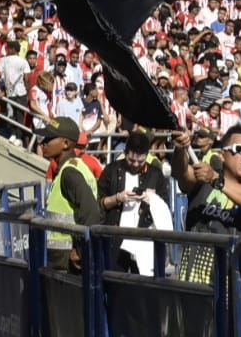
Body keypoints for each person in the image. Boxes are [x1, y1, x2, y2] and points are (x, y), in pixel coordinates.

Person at [169, 124, 241, 285]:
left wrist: (217, 180)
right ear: (222, 155)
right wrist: (179, 149)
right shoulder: (204, 179)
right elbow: (182, 174)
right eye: (240, 149)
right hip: (198, 289)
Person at [96, 129, 174, 274]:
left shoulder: (155, 175)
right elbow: (99, 203)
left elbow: (165, 208)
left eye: (141, 161)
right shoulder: (112, 170)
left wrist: (152, 200)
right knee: (115, 282)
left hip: (144, 240)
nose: (136, 164)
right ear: (125, 153)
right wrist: (117, 198)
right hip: (116, 238)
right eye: (131, 160)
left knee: (143, 286)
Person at [39, 116, 99, 272]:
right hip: (65, 257)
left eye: (49, 138)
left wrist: (79, 250)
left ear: (65, 144)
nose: (43, 143)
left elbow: (91, 210)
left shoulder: (69, 173)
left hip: (65, 259)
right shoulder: (78, 167)